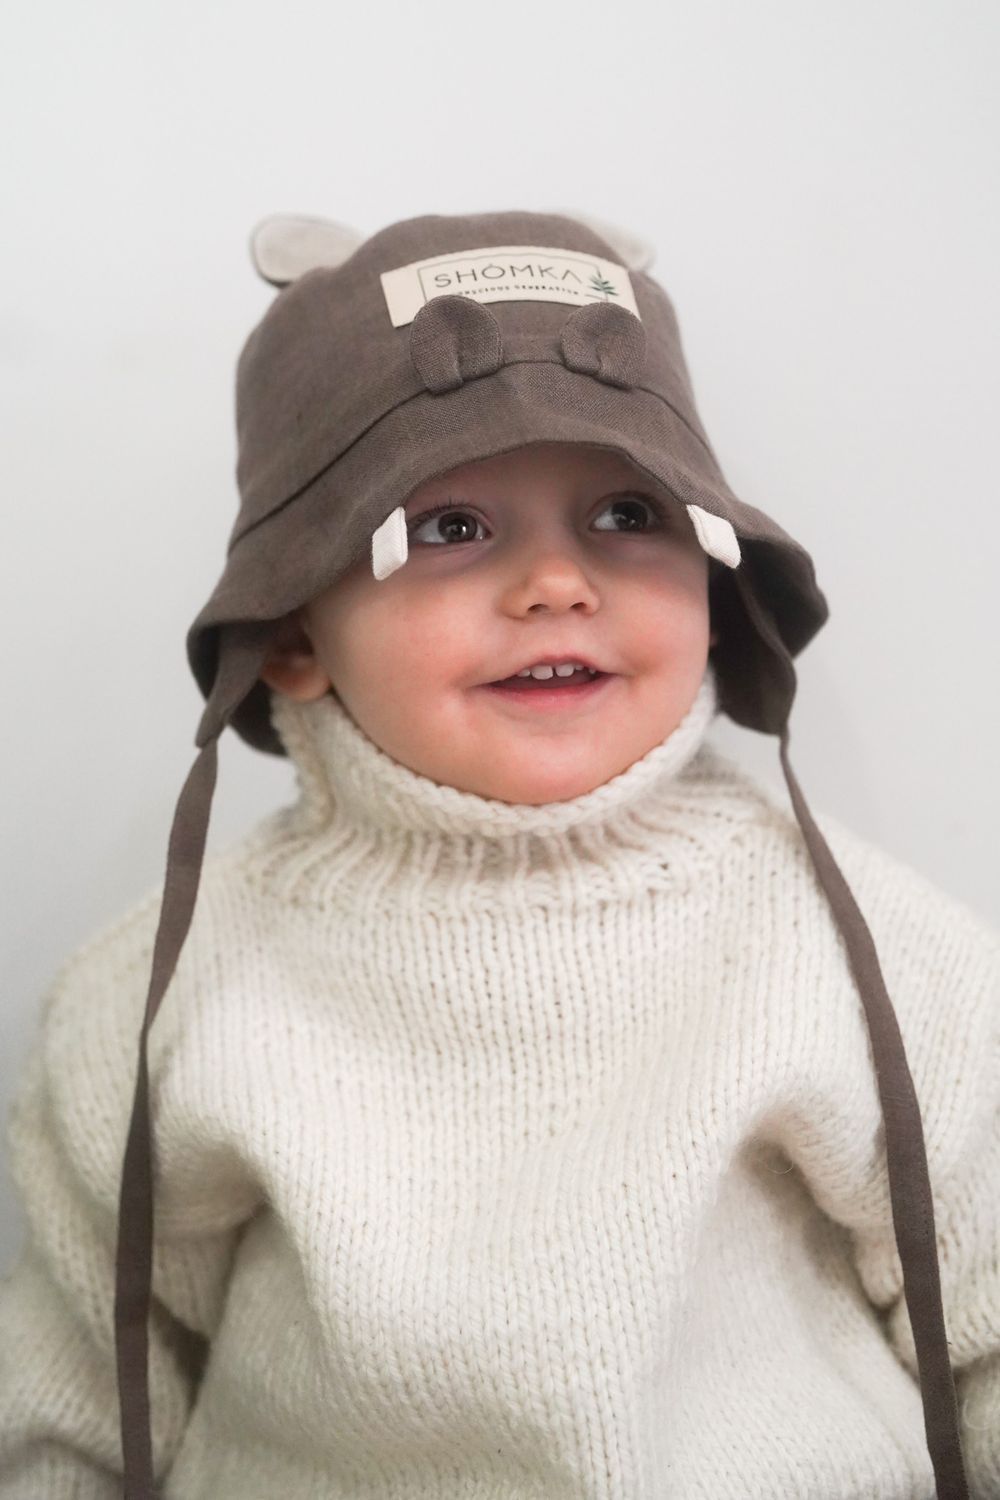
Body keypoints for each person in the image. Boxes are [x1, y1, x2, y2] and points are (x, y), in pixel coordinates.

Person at [0, 208, 996, 1500]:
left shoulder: (865, 947)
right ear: (288, 632)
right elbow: (73, 1391)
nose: (555, 583)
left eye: (629, 511)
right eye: (450, 528)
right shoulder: (165, 989)